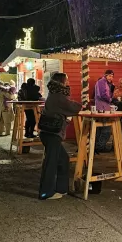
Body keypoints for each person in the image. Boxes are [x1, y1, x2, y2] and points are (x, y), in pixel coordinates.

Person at [38, 72, 81, 200]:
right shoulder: (58, 97)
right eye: (66, 80)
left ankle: (61, 189)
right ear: (61, 82)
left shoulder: (55, 94)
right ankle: (46, 193)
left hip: (49, 133)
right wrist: (82, 104)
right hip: (52, 134)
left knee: (63, 160)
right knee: (51, 163)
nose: (68, 82)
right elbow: (73, 107)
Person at [94, 69, 115, 153]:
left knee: (100, 127)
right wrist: (111, 99)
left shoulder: (106, 83)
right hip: (102, 108)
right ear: (105, 75)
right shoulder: (102, 82)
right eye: (109, 75)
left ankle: (97, 146)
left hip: (102, 107)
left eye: (112, 76)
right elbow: (103, 94)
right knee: (106, 128)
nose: (111, 77)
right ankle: (100, 146)